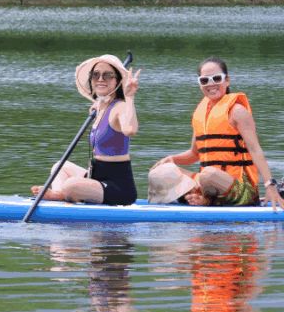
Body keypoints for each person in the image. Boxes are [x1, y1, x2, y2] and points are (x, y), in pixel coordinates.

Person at [151, 56, 284, 210]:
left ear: (227, 81)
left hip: (240, 188)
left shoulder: (238, 111)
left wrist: (269, 185)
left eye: (216, 78)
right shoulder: (201, 114)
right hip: (209, 184)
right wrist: (170, 159)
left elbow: (255, 150)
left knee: (208, 174)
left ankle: (203, 201)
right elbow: (194, 154)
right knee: (160, 173)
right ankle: (195, 198)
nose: (211, 84)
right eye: (205, 80)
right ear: (200, 84)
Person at [31, 54, 140, 205]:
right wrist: (99, 105)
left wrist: (130, 97)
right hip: (95, 178)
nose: (101, 79)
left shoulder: (120, 107)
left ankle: (59, 195)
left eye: (107, 75)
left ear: (117, 81)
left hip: (118, 188)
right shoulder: (100, 108)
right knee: (59, 166)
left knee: (70, 185)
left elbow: (131, 130)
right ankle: (61, 197)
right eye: (96, 75)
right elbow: (102, 105)